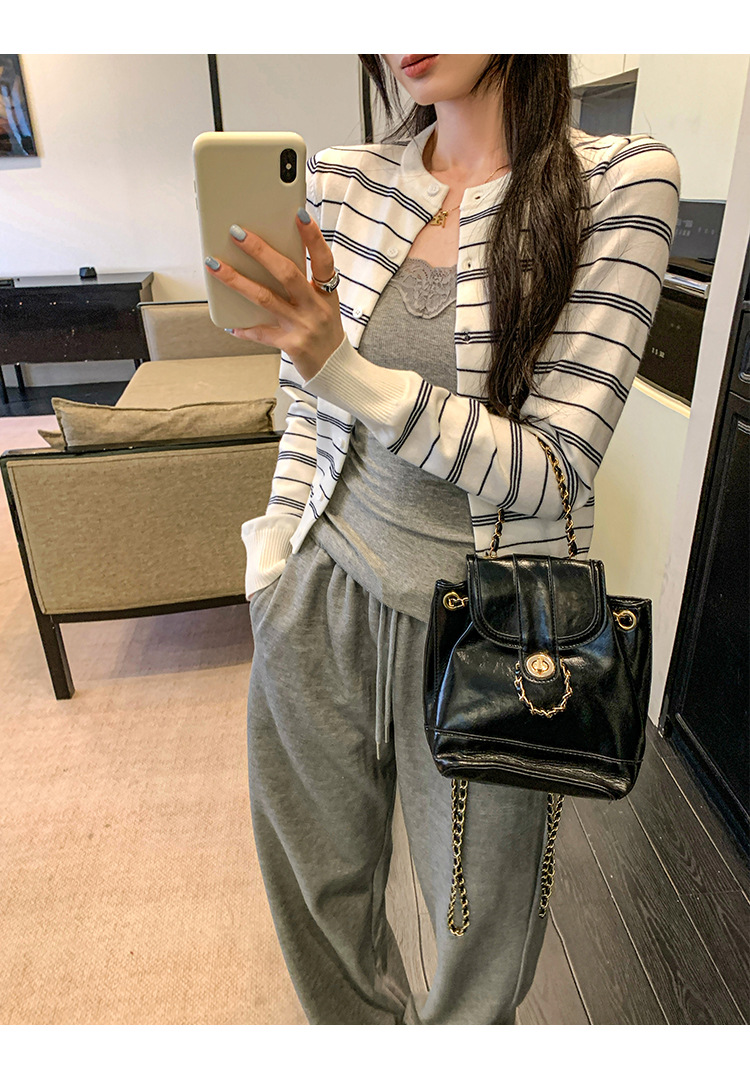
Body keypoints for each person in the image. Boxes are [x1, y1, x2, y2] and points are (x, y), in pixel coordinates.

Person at [204, 54, 680, 1025]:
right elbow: (305, 404)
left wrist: (343, 365)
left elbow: (553, 468)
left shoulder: (620, 184)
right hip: (319, 593)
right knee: (318, 902)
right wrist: (273, 562)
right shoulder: (345, 180)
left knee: (479, 936)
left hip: (493, 633)